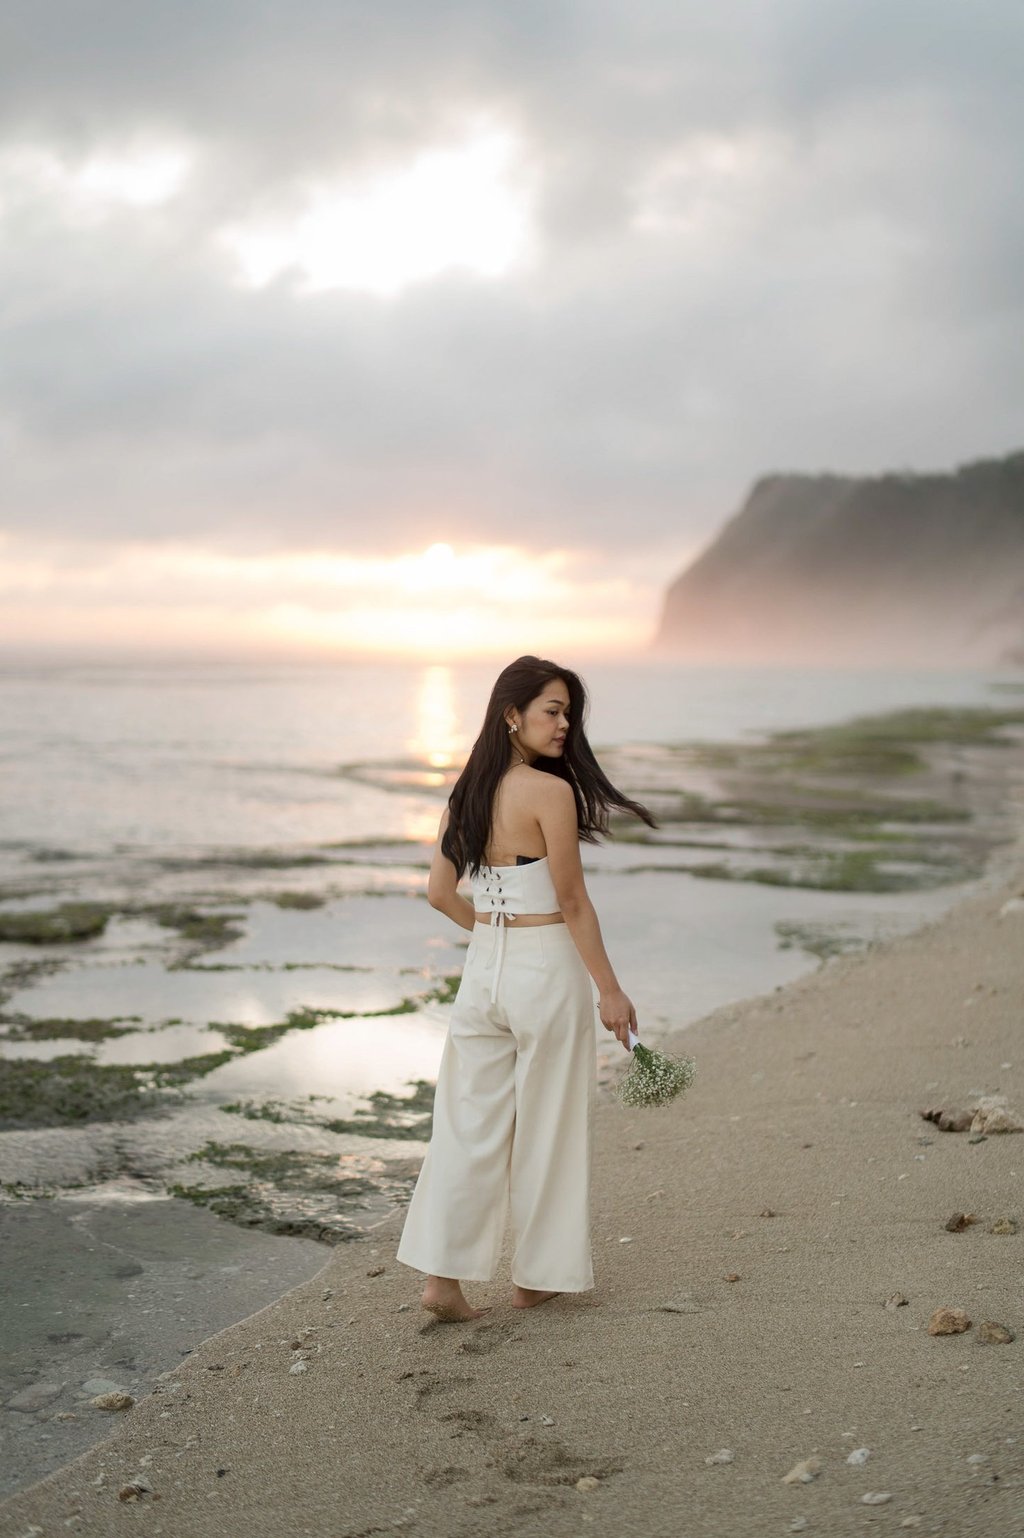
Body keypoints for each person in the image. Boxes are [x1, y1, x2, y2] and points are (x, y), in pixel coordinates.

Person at [395, 654, 656, 1321]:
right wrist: (611, 991)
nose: (565, 723)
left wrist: (489, 932)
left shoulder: (468, 793)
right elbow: (571, 901)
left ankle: (442, 1282)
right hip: (545, 967)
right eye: (553, 710)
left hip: (484, 971)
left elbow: (436, 894)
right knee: (549, 1123)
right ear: (511, 714)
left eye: (569, 712)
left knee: (466, 1126)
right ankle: (536, 1275)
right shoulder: (549, 793)